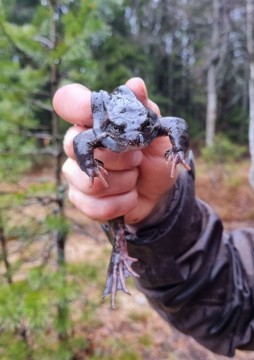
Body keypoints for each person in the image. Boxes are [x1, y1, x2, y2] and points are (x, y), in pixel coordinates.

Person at [53, 77, 254, 357]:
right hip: (117, 122)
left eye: (144, 130)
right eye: (125, 131)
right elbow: (84, 140)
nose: (136, 138)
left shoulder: (147, 127)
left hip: (134, 117)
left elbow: (176, 125)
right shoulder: (109, 128)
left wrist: (177, 150)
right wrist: (155, 213)